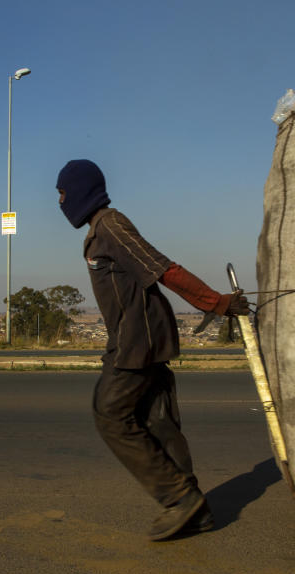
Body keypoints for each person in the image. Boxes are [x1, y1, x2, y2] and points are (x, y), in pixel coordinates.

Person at [56, 159, 250, 541]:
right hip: (136, 337)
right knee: (158, 420)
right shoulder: (99, 229)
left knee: (110, 414)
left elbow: (164, 269)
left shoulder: (111, 224)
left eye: (62, 192)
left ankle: (179, 498)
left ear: (80, 191)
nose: (60, 201)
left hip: (138, 339)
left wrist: (215, 303)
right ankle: (195, 508)